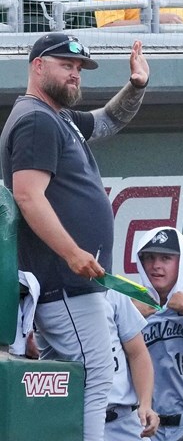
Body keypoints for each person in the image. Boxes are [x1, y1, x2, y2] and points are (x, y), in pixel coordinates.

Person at [0, 32, 149, 441]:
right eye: (66, 65)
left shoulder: (57, 116)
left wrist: (135, 87)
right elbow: (28, 196)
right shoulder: (34, 119)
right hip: (65, 281)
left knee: (64, 386)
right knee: (95, 377)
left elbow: (107, 120)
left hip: (69, 283)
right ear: (37, 66)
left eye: (79, 69)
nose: (75, 75)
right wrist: (71, 253)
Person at [134, 227, 183, 441]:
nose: (156, 266)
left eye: (166, 258)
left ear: (181, 261)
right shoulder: (134, 304)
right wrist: (131, 318)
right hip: (151, 426)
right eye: (149, 258)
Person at [103, 290, 160, 441]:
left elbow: (138, 353)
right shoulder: (49, 294)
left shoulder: (112, 292)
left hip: (122, 418)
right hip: (77, 421)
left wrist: (146, 404)